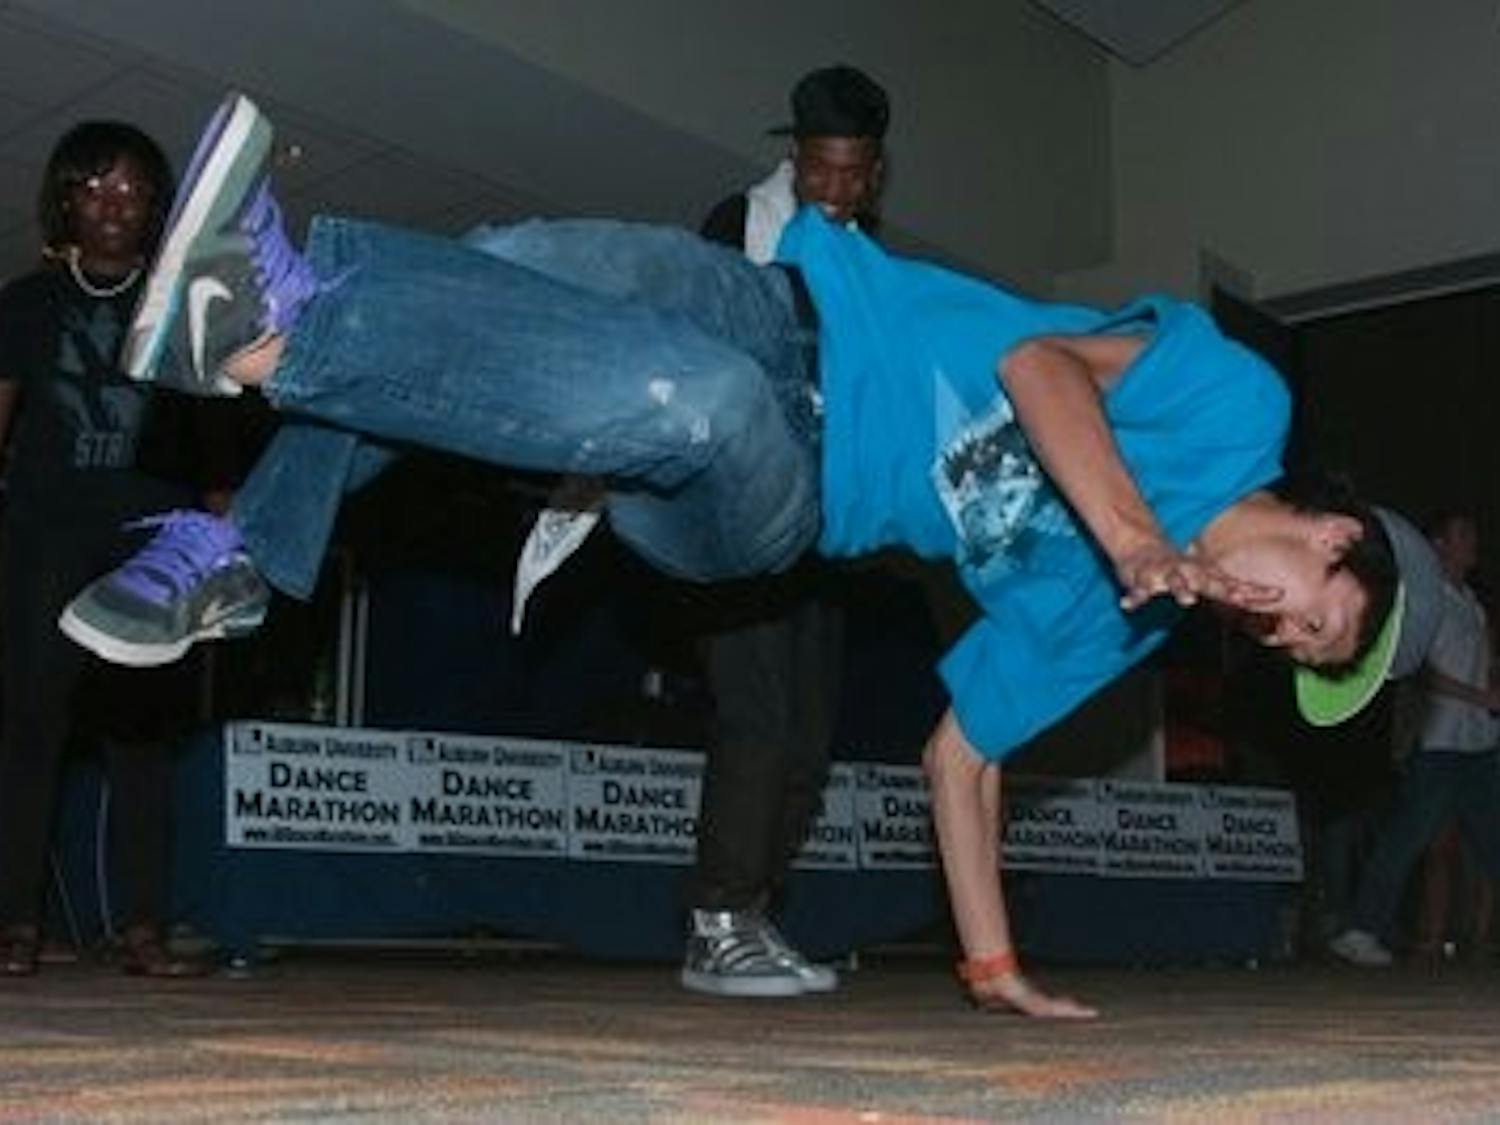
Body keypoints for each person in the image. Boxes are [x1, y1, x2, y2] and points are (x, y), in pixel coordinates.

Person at [65, 93, 1414, 1015]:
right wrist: (1131, 532)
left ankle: (265, 343)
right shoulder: (1244, 410)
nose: (1274, 628)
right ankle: (242, 541)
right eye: (1311, 616)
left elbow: (961, 762)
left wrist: (990, 960)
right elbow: (1038, 360)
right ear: (1334, 534)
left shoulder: (1117, 627)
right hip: (783, 303)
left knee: (693, 409)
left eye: (1290, 647)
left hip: (785, 499)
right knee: (507, 263)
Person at [680, 65, 886, 998]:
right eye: (820, 171)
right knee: (756, 718)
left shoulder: (867, 256)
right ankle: (714, 922)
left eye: (854, 174)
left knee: (807, 742)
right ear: (792, 158)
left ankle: (753, 916)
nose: (835, 191)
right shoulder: (738, 225)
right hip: (740, 511)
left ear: (875, 172)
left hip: (826, 528)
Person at [0, 121, 208, 977]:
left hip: (148, 544)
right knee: (29, 728)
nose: (114, 204)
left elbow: (212, 439)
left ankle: (143, 928)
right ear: (67, 200)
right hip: (47, 531)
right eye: (96, 187)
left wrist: (215, 536)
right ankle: (15, 925)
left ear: (153, 206)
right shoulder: (25, 303)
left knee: (141, 739)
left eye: (131, 190)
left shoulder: (183, 306)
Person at [1328, 513, 1500, 967]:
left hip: (1479, 741)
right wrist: (1479, 695)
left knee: (1492, 840)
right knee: (1406, 838)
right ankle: (1360, 930)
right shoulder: (1431, 602)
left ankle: (1362, 928)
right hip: (1441, 742)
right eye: (1464, 534)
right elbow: (1421, 671)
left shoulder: (1472, 603)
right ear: (1439, 545)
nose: (1473, 542)